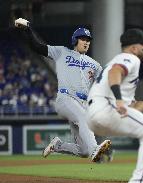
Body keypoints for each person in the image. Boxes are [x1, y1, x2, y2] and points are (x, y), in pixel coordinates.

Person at [86, 28, 143, 183]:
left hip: (96, 114)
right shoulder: (130, 58)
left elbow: (134, 110)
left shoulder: (125, 69)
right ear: (133, 48)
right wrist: (118, 99)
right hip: (106, 107)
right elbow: (115, 72)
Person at [14, 18, 111, 162]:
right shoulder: (61, 52)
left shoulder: (94, 64)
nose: (86, 42)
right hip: (65, 98)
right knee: (84, 119)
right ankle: (94, 150)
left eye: (88, 40)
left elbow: (105, 82)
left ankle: (58, 146)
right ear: (74, 40)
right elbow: (37, 47)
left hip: (81, 103)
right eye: (82, 39)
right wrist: (28, 29)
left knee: (83, 150)